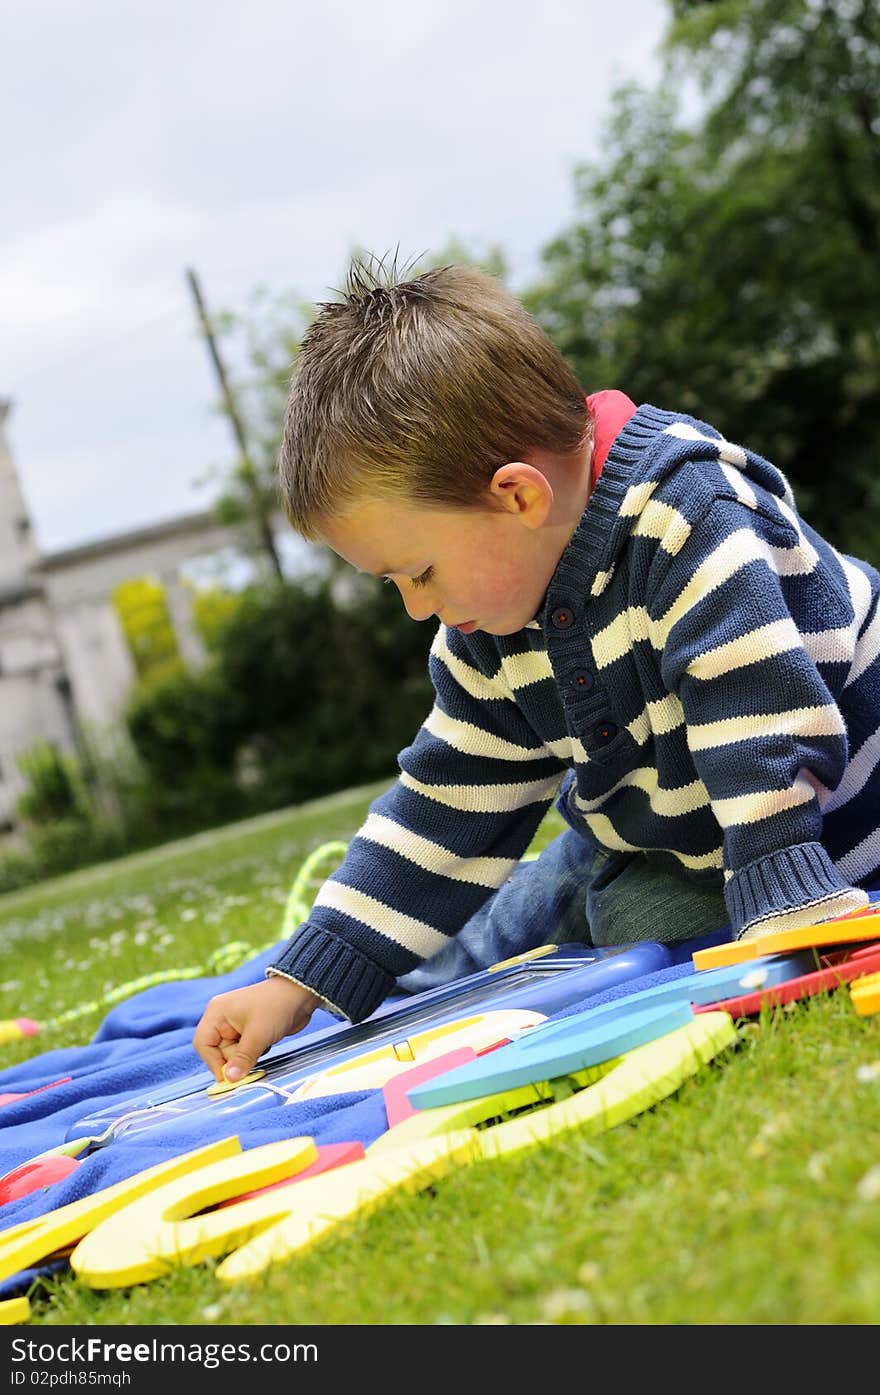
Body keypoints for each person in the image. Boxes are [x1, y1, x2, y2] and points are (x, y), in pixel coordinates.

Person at [192, 257, 880, 1084]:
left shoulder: (685, 515)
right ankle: (384, 963)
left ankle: (648, 908)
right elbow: (446, 801)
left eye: (418, 572)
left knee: (628, 913)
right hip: (659, 832)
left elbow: (760, 713)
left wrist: (789, 903)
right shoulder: (491, 622)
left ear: (518, 497)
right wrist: (301, 977)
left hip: (819, 833)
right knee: (500, 919)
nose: (415, 607)